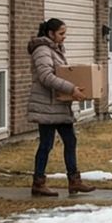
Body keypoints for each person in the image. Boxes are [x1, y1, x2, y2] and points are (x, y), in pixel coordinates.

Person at [27, 18, 92, 198]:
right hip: (47, 107)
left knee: (70, 141)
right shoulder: (42, 50)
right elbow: (46, 77)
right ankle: (38, 183)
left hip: (59, 105)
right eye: (61, 33)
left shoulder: (55, 49)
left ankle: (74, 181)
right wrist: (71, 89)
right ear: (50, 33)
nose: (64, 37)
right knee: (46, 144)